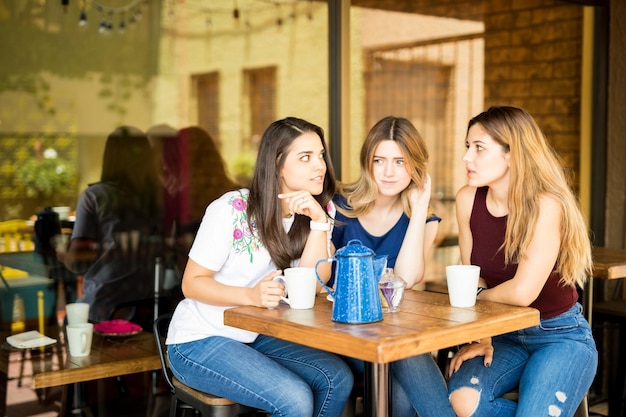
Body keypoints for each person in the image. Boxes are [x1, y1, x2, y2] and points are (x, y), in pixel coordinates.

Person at [165, 117, 353, 417]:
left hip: (258, 334)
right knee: (294, 399)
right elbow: (192, 283)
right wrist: (250, 296)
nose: (320, 166)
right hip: (201, 339)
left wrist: (319, 224)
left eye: (320, 155)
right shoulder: (231, 209)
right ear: (277, 164)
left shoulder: (318, 210)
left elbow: (314, 286)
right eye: (305, 157)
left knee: (336, 378)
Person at [447, 106, 598, 417]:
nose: (467, 158)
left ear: (511, 154)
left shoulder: (546, 205)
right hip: (502, 335)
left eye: (479, 148)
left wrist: (476, 299)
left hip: (559, 335)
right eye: (467, 147)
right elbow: (472, 275)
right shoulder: (467, 199)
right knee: (462, 401)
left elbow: (521, 293)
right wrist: (484, 331)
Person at [332, 116, 456, 417]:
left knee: (401, 391)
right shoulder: (338, 207)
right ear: (367, 162)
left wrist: (419, 208)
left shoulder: (423, 220)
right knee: (406, 356)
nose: (388, 172)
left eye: (400, 162)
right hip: (344, 335)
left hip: (396, 337)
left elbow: (408, 278)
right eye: (379, 160)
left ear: (415, 166)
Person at [62, 126, 164, 324]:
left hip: (104, 307)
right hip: (149, 310)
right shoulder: (159, 199)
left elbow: (77, 262)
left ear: (109, 157)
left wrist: (61, 248)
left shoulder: (96, 196)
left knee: (71, 325)